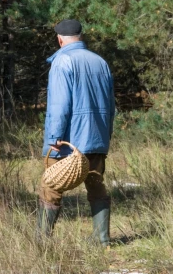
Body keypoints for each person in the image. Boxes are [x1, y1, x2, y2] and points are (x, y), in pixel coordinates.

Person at [37, 19, 115, 246]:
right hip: (97, 138)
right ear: (80, 36)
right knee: (96, 185)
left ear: (59, 39)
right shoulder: (100, 62)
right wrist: (105, 134)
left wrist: (54, 137)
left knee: (50, 187)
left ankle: (41, 242)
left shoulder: (62, 61)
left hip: (67, 142)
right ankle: (102, 239)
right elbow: (111, 106)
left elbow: (59, 105)